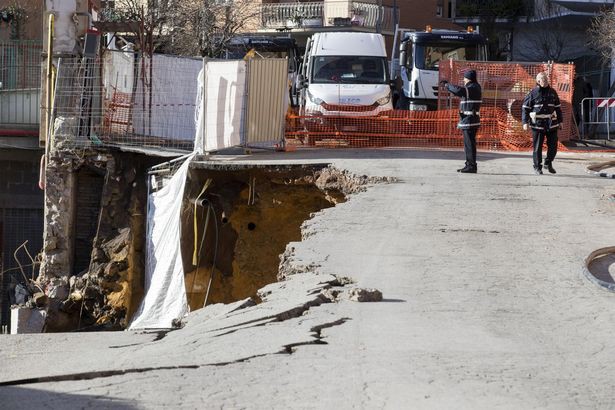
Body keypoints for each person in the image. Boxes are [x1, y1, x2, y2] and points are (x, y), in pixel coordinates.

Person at [440, 69, 482, 173]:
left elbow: (459, 90)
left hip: (470, 121)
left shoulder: (473, 87)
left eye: (464, 78)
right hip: (469, 120)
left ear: (468, 78)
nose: (463, 80)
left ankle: (471, 166)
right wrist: (449, 87)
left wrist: (447, 85)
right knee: (469, 145)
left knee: (469, 145)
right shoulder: (473, 87)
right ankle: (469, 164)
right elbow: (459, 91)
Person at [522, 72, 563, 175]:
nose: (545, 81)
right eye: (543, 80)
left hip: (551, 124)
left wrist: (560, 121)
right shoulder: (532, 93)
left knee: (553, 146)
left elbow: (558, 108)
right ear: (538, 81)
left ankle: (548, 163)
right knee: (537, 147)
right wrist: (525, 122)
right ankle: (537, 167)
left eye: (546, 79)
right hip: (538, 125)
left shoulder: (553, 92)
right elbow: (525, 109)